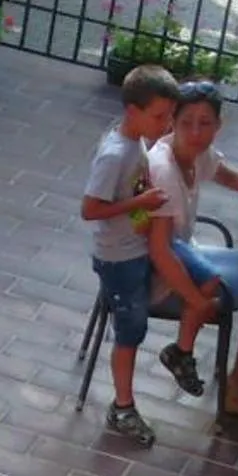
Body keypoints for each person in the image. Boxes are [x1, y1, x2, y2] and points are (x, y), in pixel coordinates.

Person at [146, 79, 238, 424]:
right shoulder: (164, 169)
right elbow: (160, 251)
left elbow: (229, 176)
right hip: (162, 276)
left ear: (219, 125)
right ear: (172, 121)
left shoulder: (194, 154)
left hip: (185, 253)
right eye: (186, 123)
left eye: (205, 123)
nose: (196, 132)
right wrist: (197, 299)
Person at [80, 61, 180, 446]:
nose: (166, 126)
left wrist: (143, 208)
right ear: (132, 111)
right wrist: (140, 202)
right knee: (129, 330)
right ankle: (122, 406)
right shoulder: (115, 155)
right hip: (118, 257)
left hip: (135, 246)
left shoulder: (138, 141)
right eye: (160, 117)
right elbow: (90, 210)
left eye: (169, 116)